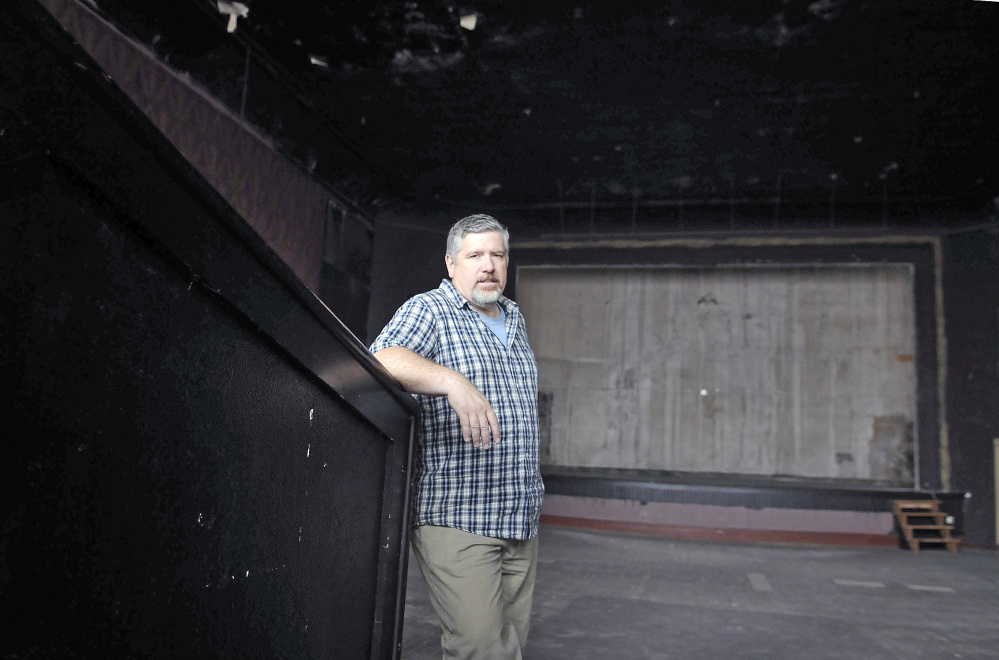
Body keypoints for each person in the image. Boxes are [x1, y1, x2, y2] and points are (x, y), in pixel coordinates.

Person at [370, 214, 543, 660]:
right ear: (451, 263)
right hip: (458, 514)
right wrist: (451, 380)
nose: (488, 265)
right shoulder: (430, 310)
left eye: (497, 255)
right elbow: (382, 359)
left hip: (519, 516)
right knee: (481, 650)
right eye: (475, 255)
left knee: (509, 647)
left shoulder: (513, 318)